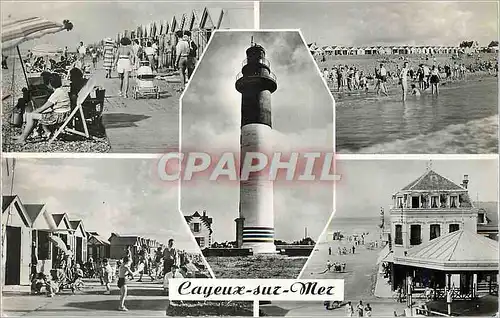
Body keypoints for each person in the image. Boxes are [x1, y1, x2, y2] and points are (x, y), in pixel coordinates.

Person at [15, 73, 70, 144]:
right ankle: (24, 136)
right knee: (36, 114)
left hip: (57, 117)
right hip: (63, 115)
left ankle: (22, 139)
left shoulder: (55, 95)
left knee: (30, 115)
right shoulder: (62, 91)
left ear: (50, 84)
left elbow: (43, 108)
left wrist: (34, 112)